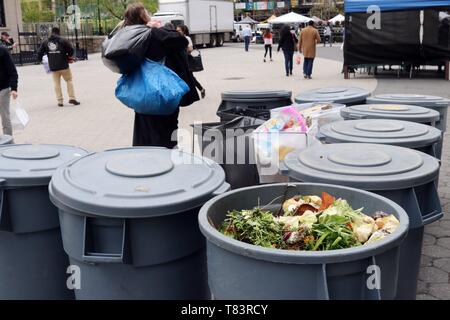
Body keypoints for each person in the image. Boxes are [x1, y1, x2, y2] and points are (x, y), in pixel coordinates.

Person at [122, 3, 199, 149]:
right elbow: (181, 40)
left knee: (144, 127)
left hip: (140, 90)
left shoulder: (128, 35)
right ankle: (166, 160)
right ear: (142, 16)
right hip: (162, 90)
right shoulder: (151, 33)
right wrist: (161, 28)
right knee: (166, 129)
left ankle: (143, 158)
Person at [37, 27, 80, 107]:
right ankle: (72, 98)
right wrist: (68, 55)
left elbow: (39, 52)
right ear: (58, 32)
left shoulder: (46, 42)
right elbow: (71, 50)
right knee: (69, 80)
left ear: (51, 32)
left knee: (56, 83)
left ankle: (60, 101)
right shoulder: (63, 40)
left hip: (53, 66)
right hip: (64, 65)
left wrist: (40, 60)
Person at [176, 25, 206, 99]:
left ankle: (200, 89)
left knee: (190, 77)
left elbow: (190, 49)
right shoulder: (177, 38)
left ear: (183, 31)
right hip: (180, 60)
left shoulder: (187, 38)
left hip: (187, 60)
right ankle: (200, 89)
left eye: (179, 30)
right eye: (176, 30)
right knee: (188, 77)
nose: (177, 32)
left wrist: (182, 50)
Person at [0, 45, 18, 136]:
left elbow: (12, 71)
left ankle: (8, 143)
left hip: (2, 89)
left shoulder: (2, 50)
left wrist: (14, 88)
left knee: (5, 118)